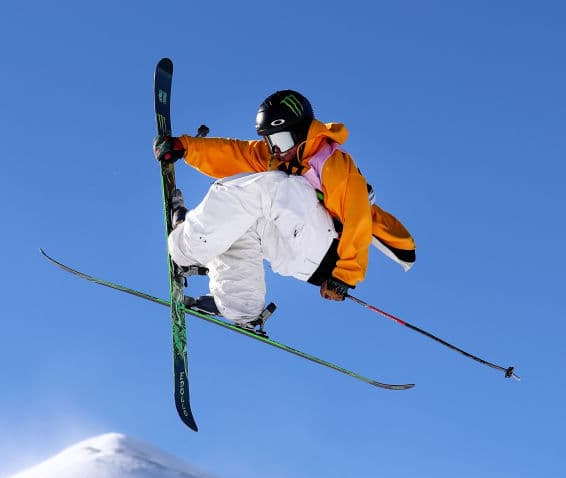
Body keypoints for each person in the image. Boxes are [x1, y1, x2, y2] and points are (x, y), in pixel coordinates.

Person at [154, 89, 416, 325]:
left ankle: (185, 247)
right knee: (238, 215)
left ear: (301, 132)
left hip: (330, 252)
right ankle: (239, 305)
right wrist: (187, 148)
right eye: (270, 141)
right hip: (298, 253)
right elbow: (236, 153)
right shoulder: (277, 156)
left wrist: (345, 275)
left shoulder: (333, 164)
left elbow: (358, 217)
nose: (276, 149)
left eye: (281, 139)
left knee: (266, 187)